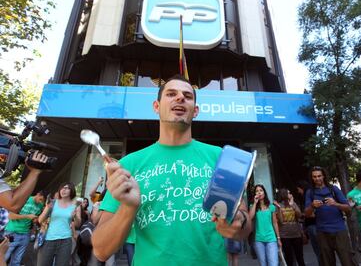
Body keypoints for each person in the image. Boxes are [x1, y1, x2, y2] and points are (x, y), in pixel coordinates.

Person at [91, 75, 252, 265]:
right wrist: (128, 207)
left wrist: (238, 222)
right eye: (171, 94)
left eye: (187, 96)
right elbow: (101, 250)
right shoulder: (129, 165)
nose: (180, 98)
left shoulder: (220, 158)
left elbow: (245, 224)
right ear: (156, 107)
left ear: (196, 111)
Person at [304, 166, 356, 266]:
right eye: (314, 177)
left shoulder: (333, 189)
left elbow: (348, 208)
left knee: (347, 261)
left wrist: (335, 203)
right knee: (327, 262)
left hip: (339, 230)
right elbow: (306, 214)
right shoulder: (310, 192)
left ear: (323, 176)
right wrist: (312, 205)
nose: (317, 178)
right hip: (322, 232)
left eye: (319, 176)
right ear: (312, 178)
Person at [37, 182, 81, 266]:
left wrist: (75, 216)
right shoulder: (53, 202)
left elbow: (78, 224)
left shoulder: (75, 205)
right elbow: (40, 220)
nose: (63, 190)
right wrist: (47, 208)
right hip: (49, 239)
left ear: (71, 191)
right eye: (62, 188)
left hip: (66, 241)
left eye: (67, 188)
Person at [4, 191, 45, 266]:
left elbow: (34, 220)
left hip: (25, 234)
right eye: (41, 199)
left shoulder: (40, 206)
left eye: (43, 201)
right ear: (38, 194)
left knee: (17, 261)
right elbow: (10, 216)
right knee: (4, 257)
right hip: (12, 232)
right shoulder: (24, 199)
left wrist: (36, 220)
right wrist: (27, 216)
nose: (41, 202)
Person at [248, 184, 281, 266]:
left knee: (273, 263)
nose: (259, 192)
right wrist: (255, 203)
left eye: (261, 190)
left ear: (264, 193)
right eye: (257, 191)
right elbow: (250, 217)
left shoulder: (271, 207)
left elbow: (275, 222)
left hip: (271, 238)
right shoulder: (253, 206)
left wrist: (278, 238)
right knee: (263, 264)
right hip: (258, 240)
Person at [276, 188, 305, 266]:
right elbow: (281, 221)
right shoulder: (279, 205)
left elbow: (299, 215)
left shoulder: (293, 203)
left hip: (296, 234)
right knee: (289, 259)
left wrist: (293, 205)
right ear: (284, 195)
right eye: (289, 193)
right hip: (285, 236)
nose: (291, 194)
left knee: (300, 258)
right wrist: (279, 209)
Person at [296, 180, 320, 261]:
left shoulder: (308, 196)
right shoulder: (310, 195)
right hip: (312, 224)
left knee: (318, 249)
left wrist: (304, 214)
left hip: (313, 224)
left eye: (299, 189)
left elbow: (312, 213)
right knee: (319, 249)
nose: (298, 192)